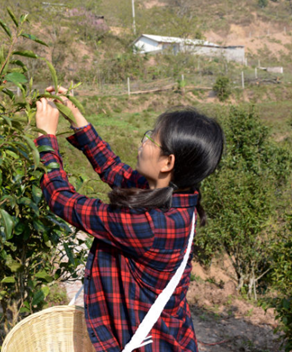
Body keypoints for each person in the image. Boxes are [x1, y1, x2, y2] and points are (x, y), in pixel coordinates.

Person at [34, 87, 224, 352]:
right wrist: (76, 117)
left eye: (151, 138)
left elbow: (63, 201)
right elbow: (114, 169)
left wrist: (46, 138)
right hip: (165, 337)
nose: (143, 141)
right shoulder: (176, 194)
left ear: (167, 162)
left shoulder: (148, 225)